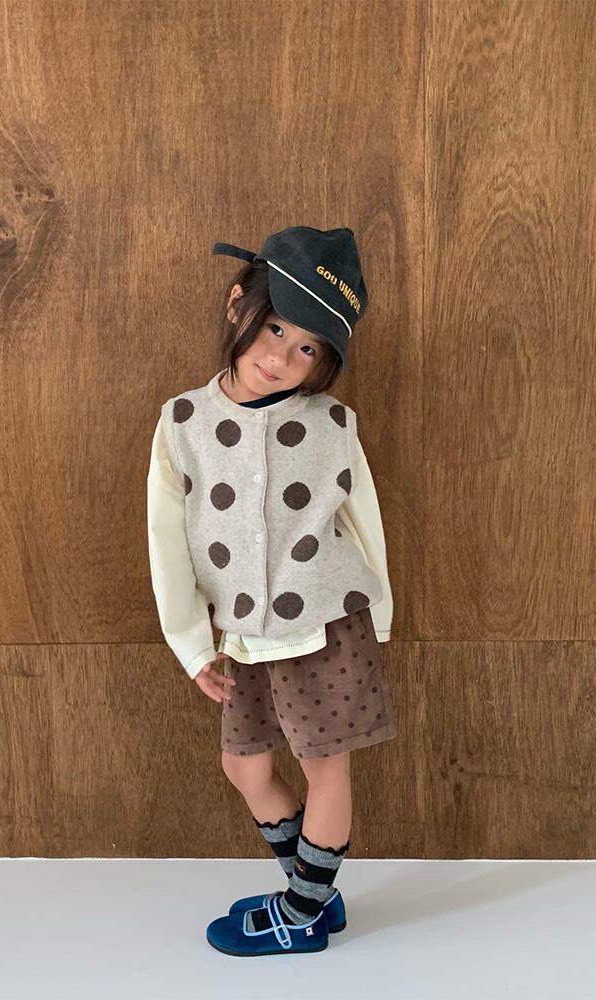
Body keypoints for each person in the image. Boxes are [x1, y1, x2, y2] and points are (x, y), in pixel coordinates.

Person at [146, 225, 397, 956]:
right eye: (278, 328)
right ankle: (313, 895)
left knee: (326, 768)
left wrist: (380, 616)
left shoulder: (333, 424)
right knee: (245, 765)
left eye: (309, 348)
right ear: (239, 304)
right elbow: (166, 539)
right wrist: (192, 644)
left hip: (326, 625)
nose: (283, 357)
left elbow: (364, 519)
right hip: (243, 637)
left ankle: (303, 912)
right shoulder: (183, 423)